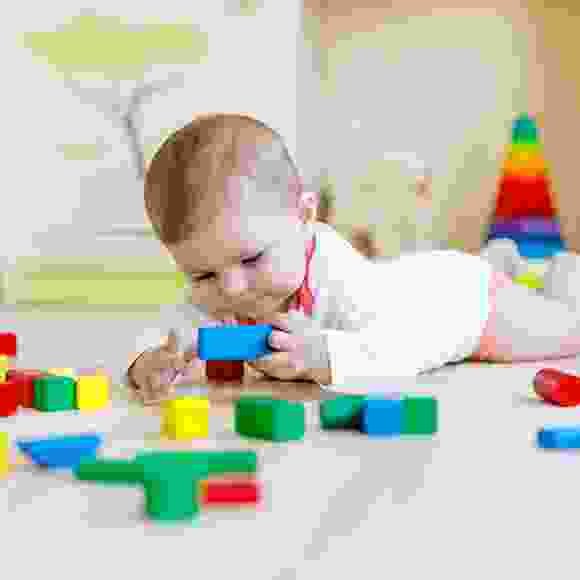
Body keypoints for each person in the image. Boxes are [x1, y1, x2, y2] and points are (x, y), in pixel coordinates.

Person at [126, 113, 580, 405]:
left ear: (305, 217)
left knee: (567, 332)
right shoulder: (219, 286)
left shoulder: (336, 273)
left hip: (468, 305)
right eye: (203, 274)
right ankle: (503, 259)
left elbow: (398, 354)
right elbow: (171, 337)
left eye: (252, 259)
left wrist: (324, 355)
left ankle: (563, 274)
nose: (231, 289)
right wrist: (151, 363)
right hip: (434, 275)